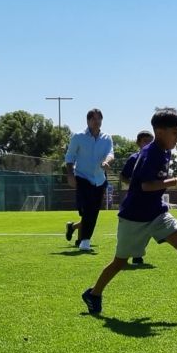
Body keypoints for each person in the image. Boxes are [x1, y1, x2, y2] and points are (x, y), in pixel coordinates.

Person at [81, 107, 177, 315]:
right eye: (175, 133)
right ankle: (94, 294)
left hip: (157, 212)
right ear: (159, 132)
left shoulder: (165, 151)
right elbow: (146, 186)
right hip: (134, 217)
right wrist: (174, 182)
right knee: (120, 262)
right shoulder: (151, 153)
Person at [64, 108, 114, 251]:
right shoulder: (78, 137)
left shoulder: (107, 138)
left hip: (100, 179)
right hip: (82, 177)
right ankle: (83, 238)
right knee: (87, 210)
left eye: (99, 119)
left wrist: (107, 162)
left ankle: (82, 238)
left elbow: (111, 153)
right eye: (93, 119)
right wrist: (70, 175)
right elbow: (70, 156)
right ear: (88, 121)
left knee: (93, 211)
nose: (96, 121)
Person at [120, 130, 155, 265]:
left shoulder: (156, 158)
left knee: (147, 228)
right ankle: (124, 256)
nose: (148, 144)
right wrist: (133, 184)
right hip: (135, 199)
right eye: (145, 141)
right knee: (133, 228)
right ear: (138, 143)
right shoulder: (134, 158)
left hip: (151, 200)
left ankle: (137, 255)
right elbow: (123, 176)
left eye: (151, 141)